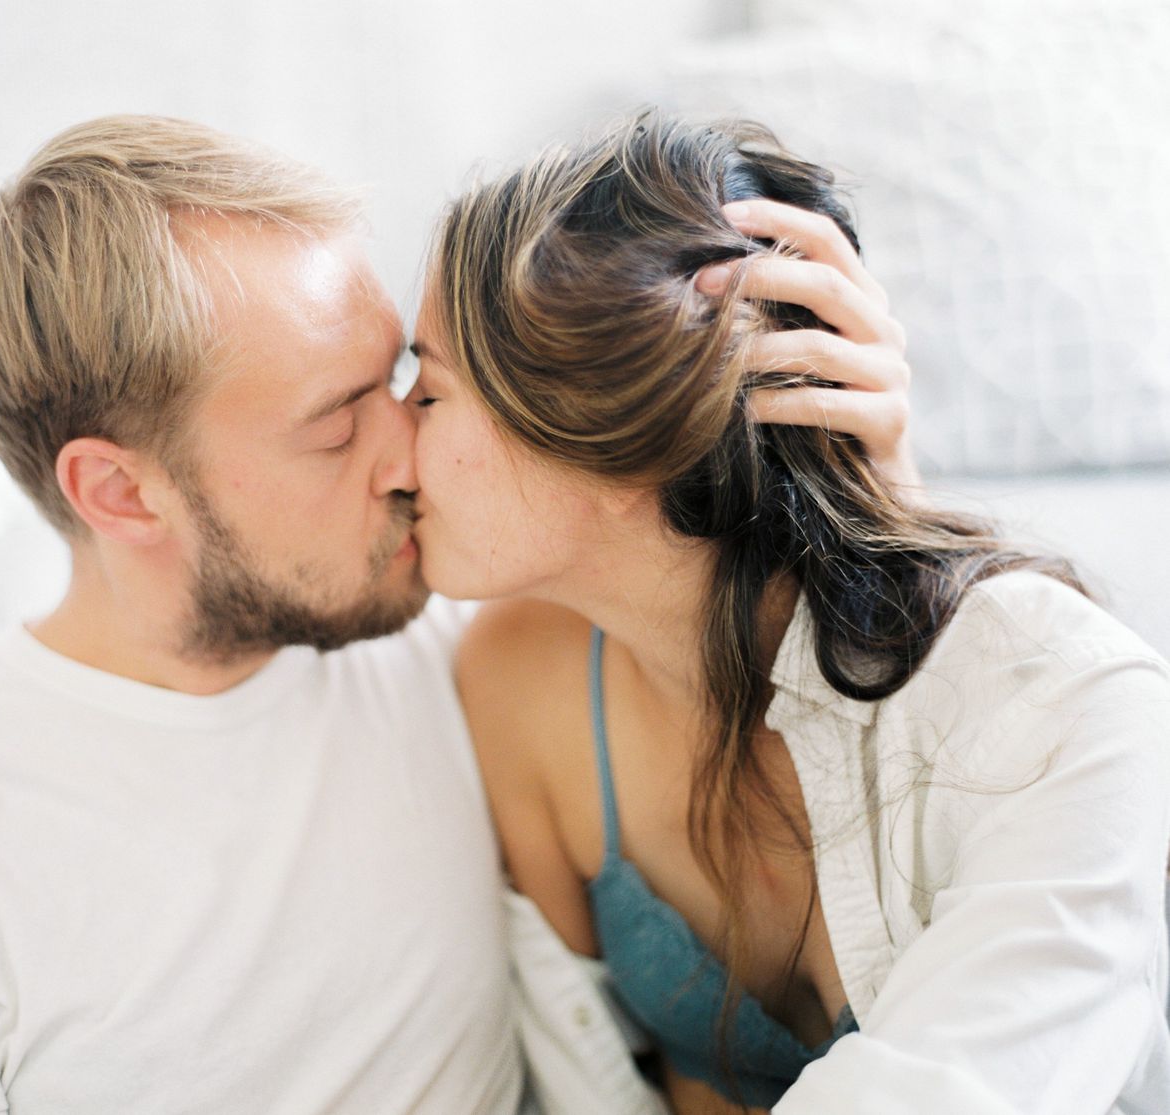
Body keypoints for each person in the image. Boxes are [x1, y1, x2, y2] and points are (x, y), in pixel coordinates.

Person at [0, 115, 916, 1113]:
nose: (415, 447)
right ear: (119, 491)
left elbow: (755, 633)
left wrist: (873, 476)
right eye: (335, 420)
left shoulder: (454, 642)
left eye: (402, 377)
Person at [404, 112, 1170, 1114]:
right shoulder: (516, 678)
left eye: (430, 390)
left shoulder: (1060, 690)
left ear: (609, 434)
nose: (390, 443)